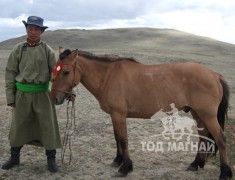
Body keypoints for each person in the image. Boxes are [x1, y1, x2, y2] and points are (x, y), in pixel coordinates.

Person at [3, 16, 62, 173]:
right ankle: (14, 157)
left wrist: (66, 88)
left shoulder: (47, 50)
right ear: (26, 30)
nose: (33, 32)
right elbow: (10, 73)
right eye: (30, 28)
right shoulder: (18, 49)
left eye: (36, 29)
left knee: (47, 126)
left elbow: (56, 74)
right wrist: (10, 97)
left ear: (41, 32)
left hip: (42, 95)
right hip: (22, 95)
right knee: (18, 126)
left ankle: (51, 159)